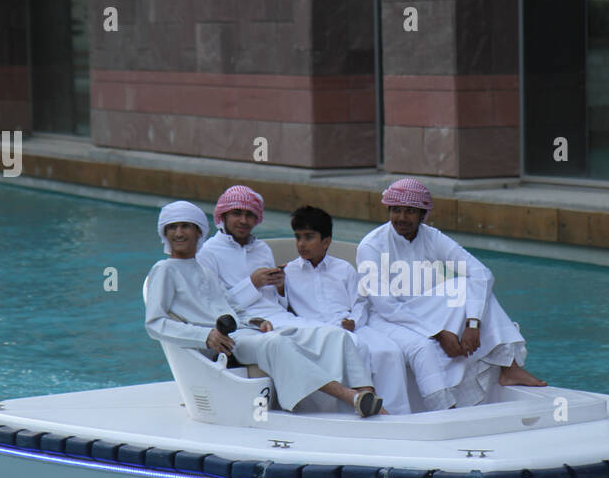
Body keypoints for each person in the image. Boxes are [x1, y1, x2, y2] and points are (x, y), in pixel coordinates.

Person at [145, 200, 383, 416]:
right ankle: (351, 397)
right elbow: (155, 324)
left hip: (245, 332)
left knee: (335, 336)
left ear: (198, 231)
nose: (179, 233)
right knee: (276, 343)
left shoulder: (205, 270)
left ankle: (371, 399)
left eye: (186, 226)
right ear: (164, 233)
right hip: (225, 344)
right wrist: (205, 336)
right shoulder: (164, 270)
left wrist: (257, 322)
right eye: (172, 227)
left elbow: (233, 308)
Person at [357, 178, 545, 410]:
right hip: (384, 318)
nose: (402, 218)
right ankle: (445, 408)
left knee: (468, 285)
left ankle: (509, 367)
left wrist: (473, 324)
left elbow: (481, 273)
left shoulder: (431, 236)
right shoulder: (370, 246)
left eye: (410, 211)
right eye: (396, 210)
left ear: (422, 215)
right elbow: (385, 305)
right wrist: (437, 333)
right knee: (422, 347)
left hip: (423, 306)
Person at [283, 205, 413, 415]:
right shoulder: (288, 273)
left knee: (389, 352)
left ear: (326, 241)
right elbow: (282, 308)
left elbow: (361, 301)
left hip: (353, 326)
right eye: (298, 237)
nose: (301, 244)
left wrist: (354, 321)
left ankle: (397, 414)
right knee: (354, 353)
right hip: (319, 331)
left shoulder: (343, 269)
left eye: (309, 237)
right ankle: (358, 411)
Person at [197, 184, 299, 326]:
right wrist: (252, 283)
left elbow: (276, 301)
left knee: (330, 333)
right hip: (246, 325)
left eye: (249, 215)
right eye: (237, 213)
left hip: (281, 317)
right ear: (223, 215)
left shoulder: (262, 249)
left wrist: (280, 286)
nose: (243, 221)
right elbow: (214, 306)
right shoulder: (208, 252)